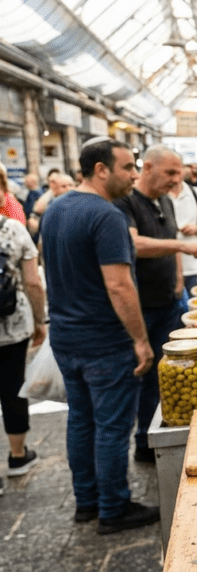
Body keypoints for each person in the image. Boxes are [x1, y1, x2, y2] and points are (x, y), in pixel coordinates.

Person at [40, 136, 160, 534]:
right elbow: (119, 286)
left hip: (67, 337)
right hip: (105, 342)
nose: (133, 174)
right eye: (127, 167)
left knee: (81, 420)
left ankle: (86, 501)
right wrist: (140, 340)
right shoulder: (106, 216)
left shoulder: (55, 209)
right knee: (111, 427)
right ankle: (113, 507)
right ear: (101, 169)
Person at [114, 146, 197, 464]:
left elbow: (169, 242)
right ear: (146, 168)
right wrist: (185, 246)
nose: (176, 181)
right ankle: (144, 443)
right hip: (141, 306)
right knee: (142, 378)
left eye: (179, 173)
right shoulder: (125, 202)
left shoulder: (165, 202)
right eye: (170, 173)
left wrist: (176, 284)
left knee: (165, 374)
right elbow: (133, 244)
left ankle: (163, 433)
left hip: (170, 301)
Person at [0, 169, 46, 497]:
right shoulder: (13, 229)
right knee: (13, 387)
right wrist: (41, 322)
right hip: (12, 327)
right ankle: (18, 457)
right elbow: (33, 282)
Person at [168, 176, 197, 314]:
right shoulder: (159, 196)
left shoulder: (195, 193)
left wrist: (195, 229)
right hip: (169, 269)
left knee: (196, 312)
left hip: (194, 265)